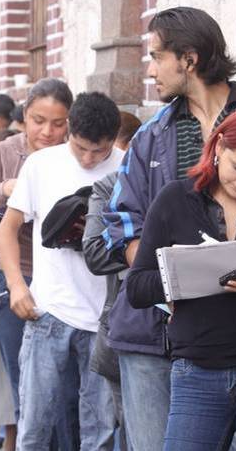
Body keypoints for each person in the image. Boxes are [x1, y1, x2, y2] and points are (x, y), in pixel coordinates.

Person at [100, 6, 236, 450]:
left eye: (156, 57)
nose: (151, 70)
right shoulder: (150, 136)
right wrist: (174, 283)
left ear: (188, 59)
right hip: (150, 332)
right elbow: (120, 225)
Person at [125, 104, 236, 449]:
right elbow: (136, 287)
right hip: (197, 369)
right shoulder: (175, 200)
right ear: (219, 147)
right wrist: (192, 273)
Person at [0, 91, 124, 450]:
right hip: (48, 310)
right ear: (70, 130)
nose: (88, 159)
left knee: (100, 430)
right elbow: (8, 229)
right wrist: (17, 286)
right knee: (35, 425)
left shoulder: (127, 167)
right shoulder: (41, 164)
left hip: (105, 318)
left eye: (98, 152)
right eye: (80, 147)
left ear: (114, 139)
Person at [0, 78, 72, 450]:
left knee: (65, 389)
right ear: (24, 116)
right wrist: (4, 192)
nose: (48, 131)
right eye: (38, 120)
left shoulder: (75, 157)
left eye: (59, 123)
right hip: (9, 280)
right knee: (26, 385)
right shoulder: (2, 152)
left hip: (63, 280)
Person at [82, 110, 141, 451]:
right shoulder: (108, 187)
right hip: (120, 325)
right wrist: (135, 248)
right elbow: (95, 253)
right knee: (121, 427)